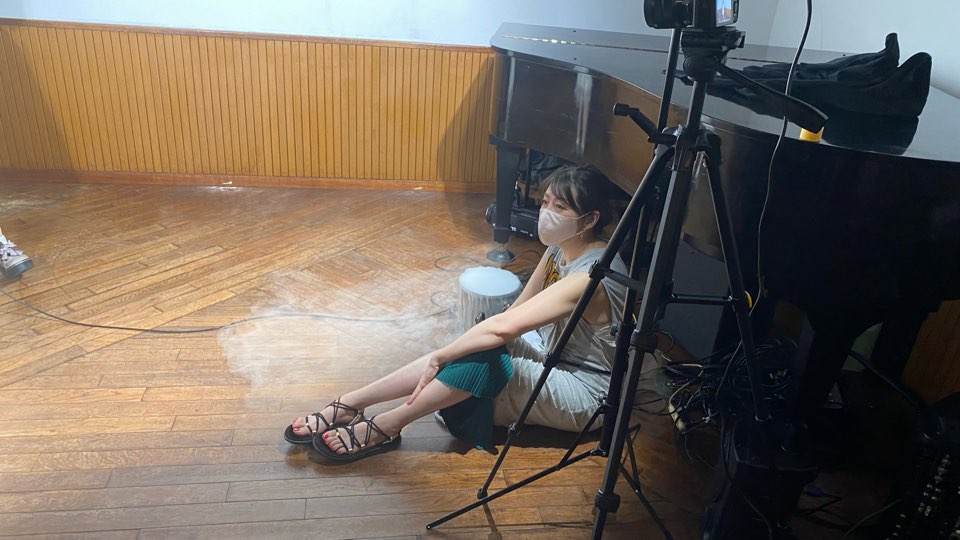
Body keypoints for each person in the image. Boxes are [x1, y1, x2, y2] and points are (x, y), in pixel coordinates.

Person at [285, 165, 630, 461]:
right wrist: (462, 347)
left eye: (560, 206)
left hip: (585, 389)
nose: (547, 212)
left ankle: (386, 425)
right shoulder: (559, 248)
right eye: (545, 202)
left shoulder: (592, 274)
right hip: (551, 356)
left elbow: (504, 329)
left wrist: (444, 355)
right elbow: (516, 312)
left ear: (590, 219)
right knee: (477, 344)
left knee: (482, 354)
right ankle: (350, 403)